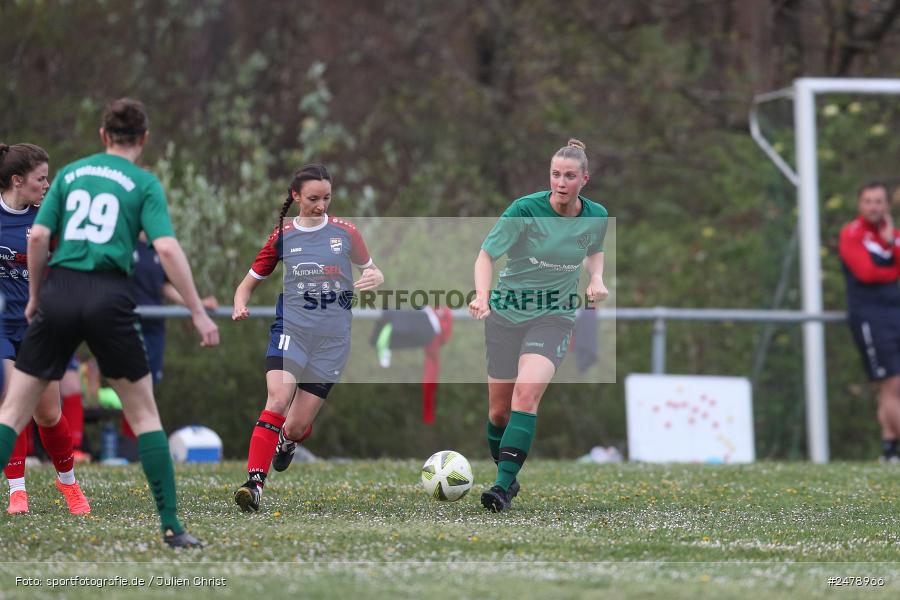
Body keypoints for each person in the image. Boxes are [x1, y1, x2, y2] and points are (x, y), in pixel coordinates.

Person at [0, 99, 219, 548]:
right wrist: (197, 310)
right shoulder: (143, 183)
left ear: (103, 136)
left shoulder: (72, 174)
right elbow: (169, 251)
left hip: (59, 297)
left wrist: (39, 295)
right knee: (143, 415)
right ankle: (173, 527)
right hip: (109, 296)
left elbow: (39, 237)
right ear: (143, 139)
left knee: (11, 412)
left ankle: (36, 486)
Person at [231, 163, 383, 513]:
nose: (321, 205)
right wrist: (240, 304)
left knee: (297, 425)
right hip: (291, 332)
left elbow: (373, 269)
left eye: (327, 197)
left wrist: (374, 276)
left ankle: (288, 441)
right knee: (277, 400)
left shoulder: (346, 233)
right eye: (313, 198)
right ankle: (254, 484)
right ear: (296, 196)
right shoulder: (283, 236)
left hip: (332, 341)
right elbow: (248, 283)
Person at [469, 138, 609, 512]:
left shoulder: (595, 215)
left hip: (553, 317)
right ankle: (509, 477)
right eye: (555, 174)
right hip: (505, 315)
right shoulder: (524, 210)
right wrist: (482, 295)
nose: (561, 182)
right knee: (499, 413)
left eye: (569, 176)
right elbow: (486, 255)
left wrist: (596, 279)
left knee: (525, 397)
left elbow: (594, 251)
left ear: (584, 179)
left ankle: (499, 489)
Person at [0, 142, 90, 515]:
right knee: (10, 402)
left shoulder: (49, 219)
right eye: (40, 178)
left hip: (39, 325)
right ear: (17, 181)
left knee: (48, 414)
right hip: (2, 327)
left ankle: (67, 482)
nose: (47, 184)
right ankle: (16, 490)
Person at [838, 181, 900, 463]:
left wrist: (890, 243)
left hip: (894, 313)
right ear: (860, 204)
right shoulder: (852, 234)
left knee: (890, 388)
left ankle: (889, 450)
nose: (874, 206)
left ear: (887, 205)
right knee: (892, 384)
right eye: (868, 201)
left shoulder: (892, 235)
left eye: (879, 201)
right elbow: (868, 273)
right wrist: (892, 270)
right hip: (870, 318)